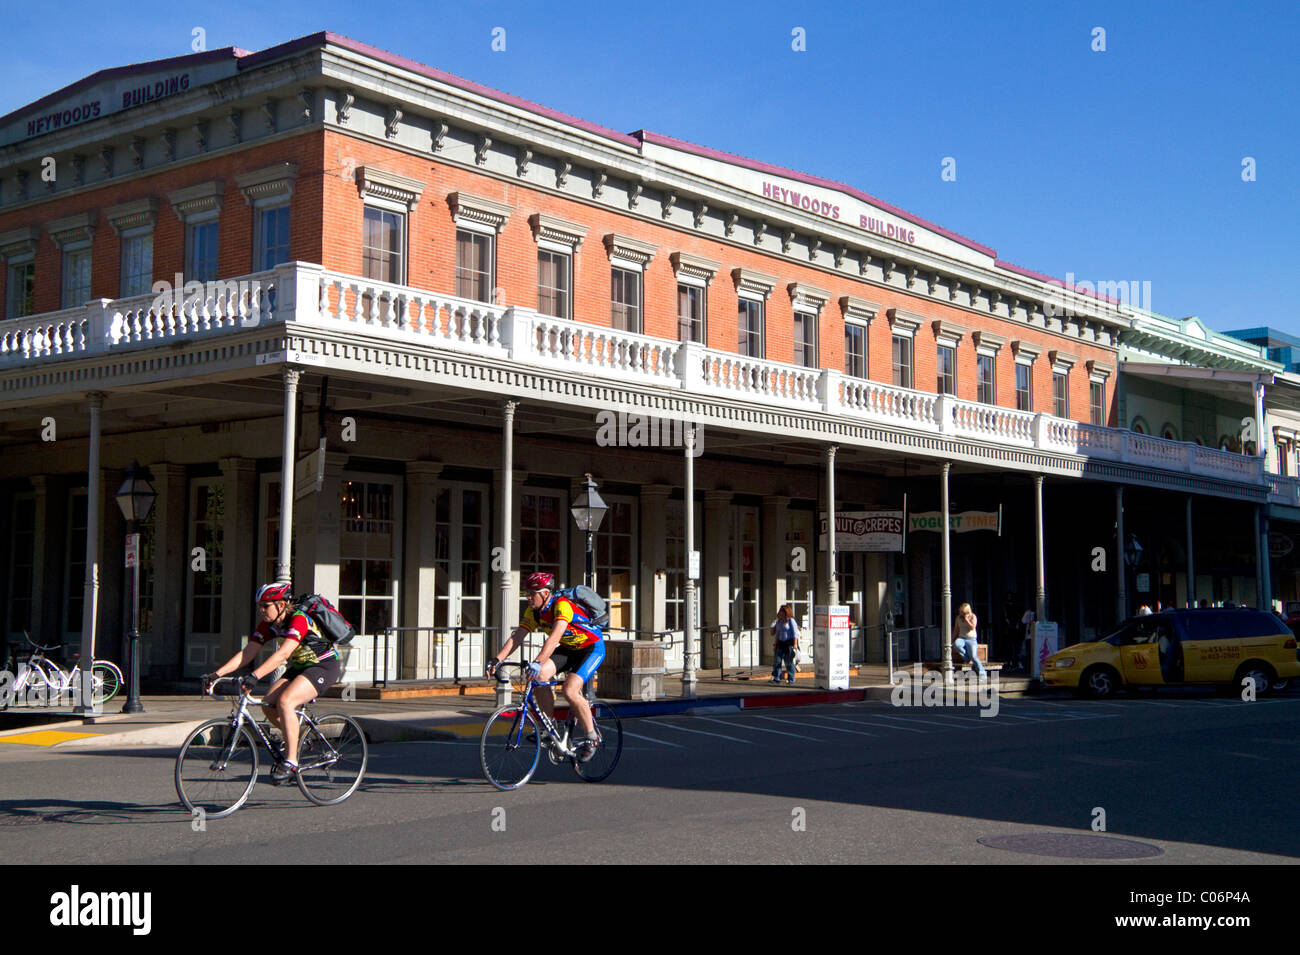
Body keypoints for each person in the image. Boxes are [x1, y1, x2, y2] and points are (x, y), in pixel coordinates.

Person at [205, 582, 342, 783]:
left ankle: (292, 762)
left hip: (324, 666)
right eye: (260, 606)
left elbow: (283, 654)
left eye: (266, 606)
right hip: (300, 667)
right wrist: (216, 674)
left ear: (281, 605)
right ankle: (295, 740)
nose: (261, 610)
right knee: (269, 704)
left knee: (286, 702)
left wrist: (255, 676)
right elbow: (247, 653)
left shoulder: (298, 620)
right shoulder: (269, 625)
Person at [486, 572, 604, 762]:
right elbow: (517, 637)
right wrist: (496, 659)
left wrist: (538, 660)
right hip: (569, 649)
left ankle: (592, 737)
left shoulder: (562, 606)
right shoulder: (533, 611)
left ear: (546, 593)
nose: (529, 597)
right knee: (539, 676)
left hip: (591, 648)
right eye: (527, 593)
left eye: (533, 593)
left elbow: (554, 638)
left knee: (570, 690)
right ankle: (550, 728)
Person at [952, 602, 987, 679]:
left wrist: (967, 620)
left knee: (974, 657)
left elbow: (973, 627)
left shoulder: (972, 616)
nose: (962, 614)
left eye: (964, 612)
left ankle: (983, 674)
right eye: (961, 612)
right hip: (961, 637)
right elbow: (956, 630)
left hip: (971, 639)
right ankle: (967, 658)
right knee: (956, 644)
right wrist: (952, 639)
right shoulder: (958, 618)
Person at [770, 604, 800, 685]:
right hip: (781, 642)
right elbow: (777, 634)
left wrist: (795, 644)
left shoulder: (791, 620)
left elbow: (795, 633)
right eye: (780, 611)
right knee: (777, 661)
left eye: (781, 611)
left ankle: (791, 679)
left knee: (789, 661)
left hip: (789, 643)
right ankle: (777, 678)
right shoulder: (779, 621)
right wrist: (775, 644)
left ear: (786, 612)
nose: (780, 613)